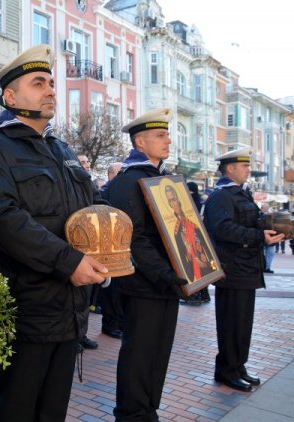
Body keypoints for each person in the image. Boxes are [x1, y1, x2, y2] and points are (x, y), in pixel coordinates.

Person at [0, 44, 108, 422]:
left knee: (53, 409)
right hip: (27, 307)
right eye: (38, 82)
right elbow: (2, 217)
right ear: (10, 97)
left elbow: (90, 210)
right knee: (20, 408)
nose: (51, 90)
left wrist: (112, 249)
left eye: (52, 83)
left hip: (71, 306)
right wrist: (69, 261)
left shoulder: (62, 150)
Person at [107, 108, 187, 421]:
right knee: (139, 354)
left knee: (158, 352)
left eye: (167, 134)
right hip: (144, 283)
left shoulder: (160, 179)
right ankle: (131, 413)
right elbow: (133, 239)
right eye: (160, 135)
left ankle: (148, 409)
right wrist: (169, 274)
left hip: (166, 282)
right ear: (141, 142)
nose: (168, 139)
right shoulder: (130, 180)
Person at [203, 147, 284, 392]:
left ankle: (238, 366)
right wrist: (259, 236)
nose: (249, 170)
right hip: (232, 270)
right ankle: (226, 370)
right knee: (231, 323)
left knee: (243, 323)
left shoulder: (240, 193)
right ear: (230, 168)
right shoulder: (222, 196)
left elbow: (247, 221)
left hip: (246, 268)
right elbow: (222, 229)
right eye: (245, 166)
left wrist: (271, 226)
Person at [75, 153, 100, 351]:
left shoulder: (89, 183)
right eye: (81, 162)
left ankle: (82, 334)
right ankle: (74, 337)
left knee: (86, 297)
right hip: (75, 246)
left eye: (87, 163)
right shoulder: (70, 181)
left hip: (90, 245)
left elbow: (99, 204)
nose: (86, 166)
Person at [99, 162, 124, 339]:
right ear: (110, 175)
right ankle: (109, 324)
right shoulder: (105, 192)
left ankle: (117, 322)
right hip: (108, 247)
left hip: (119, 246)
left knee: (118, 290)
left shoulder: (121, 189)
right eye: (119, 172)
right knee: (110, 290)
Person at [260, 204, 276, 273]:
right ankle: (262, 267)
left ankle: (267, 267)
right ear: (262, 208)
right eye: (265, 208)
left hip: (271, 238)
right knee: (262, 254)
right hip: (261, 238)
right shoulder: (258, 216)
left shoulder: (271, 216)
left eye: (267, 208)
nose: (266, 209)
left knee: (270, 253)